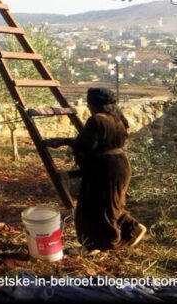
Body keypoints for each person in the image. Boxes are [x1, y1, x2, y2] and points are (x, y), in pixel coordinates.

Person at [44, 87, 146, 252]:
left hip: (105, 168)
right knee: (112, 203)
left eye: (89, 104)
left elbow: (86, 146)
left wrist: (63, 141)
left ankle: (103, 244)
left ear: (94, 105)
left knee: (95, 208)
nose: (89, 108)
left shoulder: (97, 120)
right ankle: (132, 227)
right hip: (120, 165)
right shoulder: (118, 118)